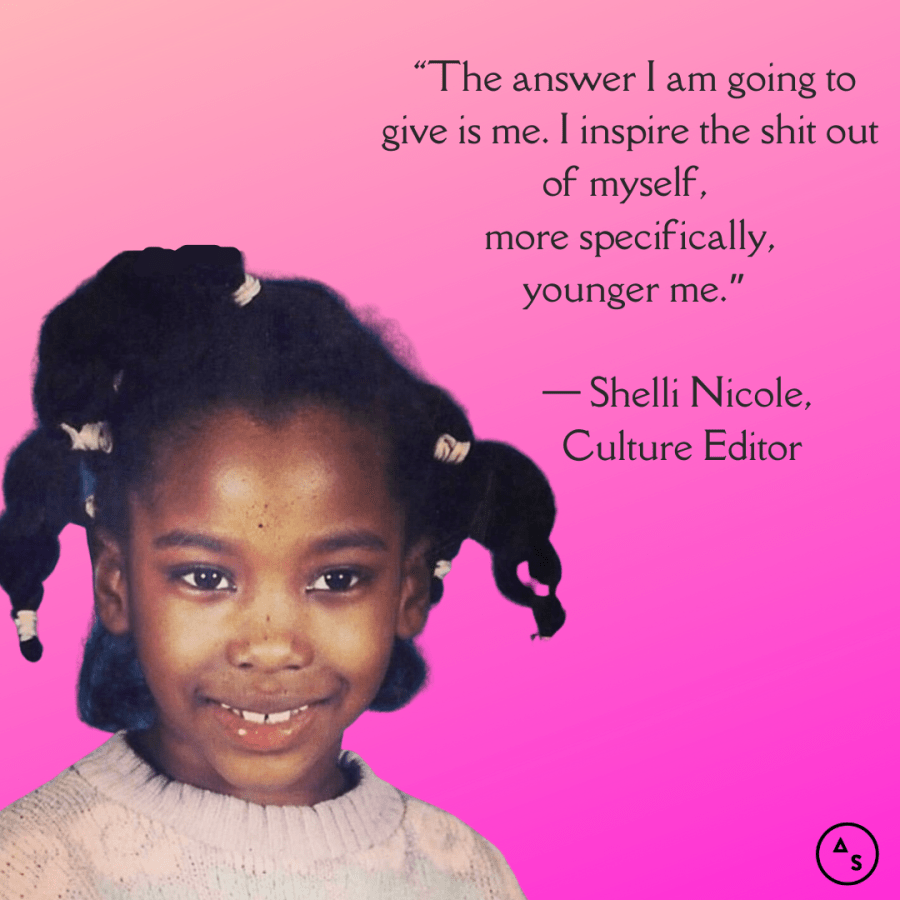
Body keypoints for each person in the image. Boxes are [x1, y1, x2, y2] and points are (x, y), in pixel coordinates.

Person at [0, 246, 565, 898]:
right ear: (115, 582)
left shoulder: (468, 876)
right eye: (207, 578)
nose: (270, 646)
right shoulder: (30, 869)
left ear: (409, 591)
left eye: (337, 580)